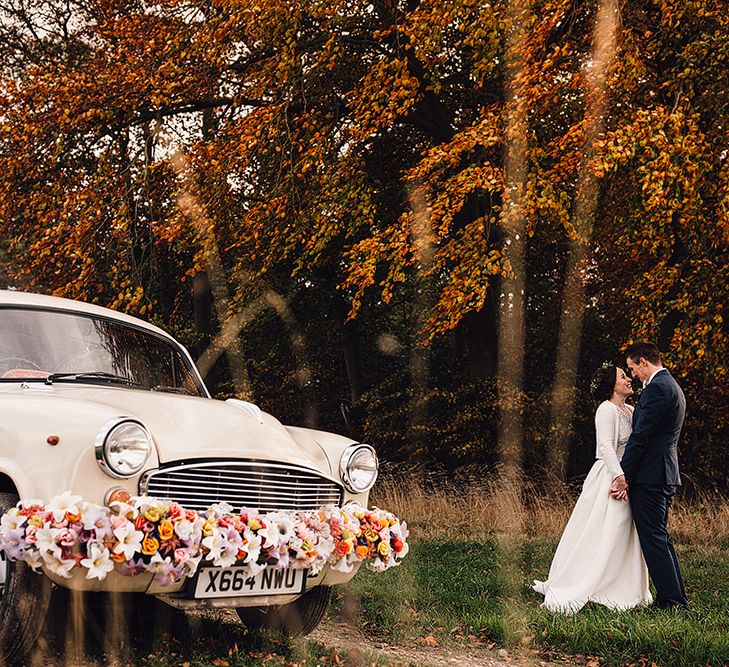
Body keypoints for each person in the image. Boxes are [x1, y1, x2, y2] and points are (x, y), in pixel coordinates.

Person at [532, 363, 652, 613]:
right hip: (609, 477)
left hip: (627, 478)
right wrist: (619, 477)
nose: (629, 379)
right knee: (603, 530)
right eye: (622, 376)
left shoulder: (630, 410)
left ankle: (621, 584)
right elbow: (606, 447)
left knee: (624, 534)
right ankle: (586, 581)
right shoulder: (606, 410)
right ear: (612, 385)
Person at [609, 342, 688, 610]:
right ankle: (674, 597)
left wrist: (624, 475)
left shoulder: (657, 389)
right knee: (660, 537)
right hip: (663, 473)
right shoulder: (672, 385)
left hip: (652, 475)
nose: (632, 375)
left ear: (643, 362)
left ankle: (672, 602)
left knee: (653, 539)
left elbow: (641, 436)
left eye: (632, 368)